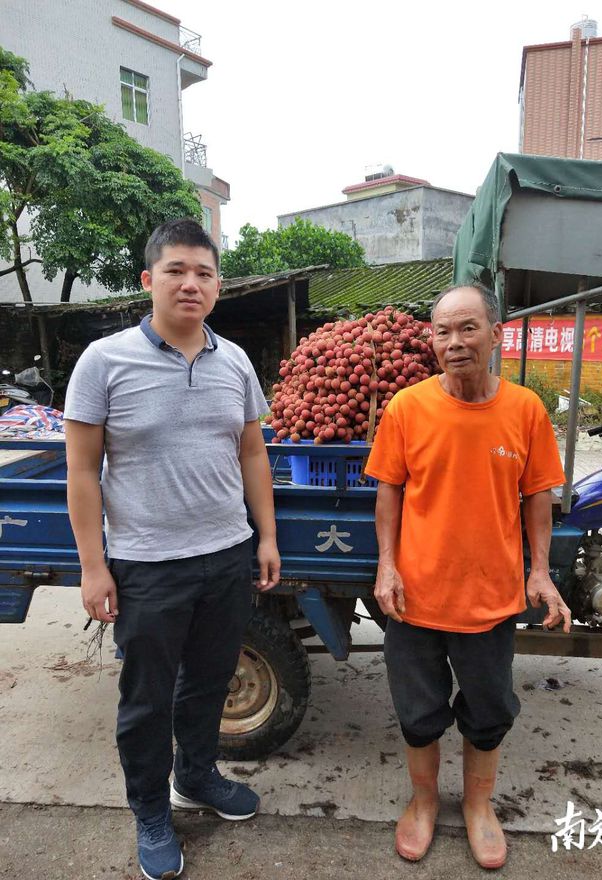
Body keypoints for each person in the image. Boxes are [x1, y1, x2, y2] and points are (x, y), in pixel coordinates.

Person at [64, 218, 280, 880]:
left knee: (209, 684)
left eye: (205, 273)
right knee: (147, 700)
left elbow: (251, 450)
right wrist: (93, 565)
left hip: (225, 557)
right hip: (148, 566)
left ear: (218, 285)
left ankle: (198, 777)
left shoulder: (235, 360)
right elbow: (81, 470)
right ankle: (152, 813)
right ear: (148, 280)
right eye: (177, 270)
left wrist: (266, 536)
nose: (191, 283)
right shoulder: (104, 361)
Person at [364, 283, 569, 870]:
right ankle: (424, 801)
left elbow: (537, 496)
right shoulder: (408, 407)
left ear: (495, 335)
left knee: (489, 710)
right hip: (416, 596)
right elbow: (389, 491)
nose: (455, 343)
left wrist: (539, 572)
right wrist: (386, 563)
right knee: (418, 710)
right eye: (443, 332)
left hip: (489, 598)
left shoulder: (525, 410)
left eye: (467, 329)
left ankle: (479, 807)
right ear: (432, 340)